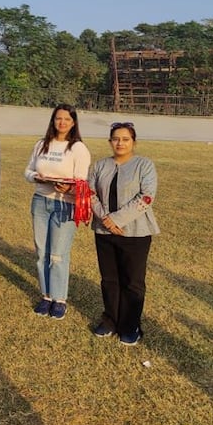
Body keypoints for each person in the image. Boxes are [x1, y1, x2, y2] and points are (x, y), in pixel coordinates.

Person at [90, 122, 159, 345]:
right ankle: (110, 319)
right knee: (109, 279)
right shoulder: (100, 166)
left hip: (135, 233)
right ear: (110, 141)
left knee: (133, 282)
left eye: (125, 139)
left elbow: (146, 196)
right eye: (116, 139)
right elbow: (90, 194)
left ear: (133, 142)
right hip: (104, 232)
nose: (120, 143)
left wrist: (117, 220)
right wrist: (106, 220)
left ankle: (131, 326)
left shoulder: (144, 165)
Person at [24, 104, 91, 319]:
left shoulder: (78, 148)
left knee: (58, 255)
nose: (62, 123)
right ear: (53, 121)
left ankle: (59, 299)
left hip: (65, 204)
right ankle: (46, 296)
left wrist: (69, 188)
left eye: (67, 119)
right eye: (58, 118)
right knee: (41, 252)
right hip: (41, 201)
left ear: (73, 123)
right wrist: (36, 177)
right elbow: (28, 171)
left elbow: (82, 181)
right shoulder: (42, 144)